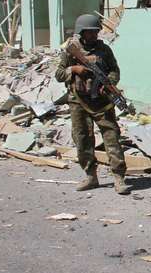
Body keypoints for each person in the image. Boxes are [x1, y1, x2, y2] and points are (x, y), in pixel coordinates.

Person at [55, 14, 129, 194]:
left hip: (102, 103)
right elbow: (58, 74)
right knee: (82, 139)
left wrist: (108, 84)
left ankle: (119, 178)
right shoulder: (71, 50)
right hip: (78, 101)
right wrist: (73, 69)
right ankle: (91, 176)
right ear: (82, 32)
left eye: (96, 32)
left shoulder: (104, 50)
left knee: (112, 138)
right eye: (90, 32)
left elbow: (114, 70)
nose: (94, 35)